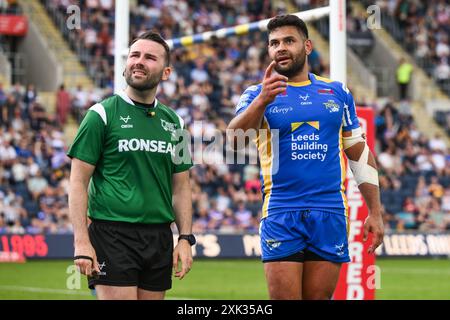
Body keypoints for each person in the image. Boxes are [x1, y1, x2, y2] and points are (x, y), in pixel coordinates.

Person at [227, 15, 384, 300]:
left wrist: (375, 211)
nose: (280, 48)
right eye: (274, 43)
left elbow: (358, 153)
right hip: (281, 211)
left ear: (308, 46)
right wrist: (263, 100)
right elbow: (234, 141)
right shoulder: (255, 94)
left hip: (330, 210)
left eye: (289, 41)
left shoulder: (337, 92)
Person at [67, 31, 195, 300]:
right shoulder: (100, 114)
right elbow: (78, 181)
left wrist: (185, 238)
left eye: (149, 57)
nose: (139, 61)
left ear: (166, 72)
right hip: (112, 234)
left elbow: (181, 187)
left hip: (159, 237)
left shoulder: (177, 124)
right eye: (134, 55)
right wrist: (81, 241)